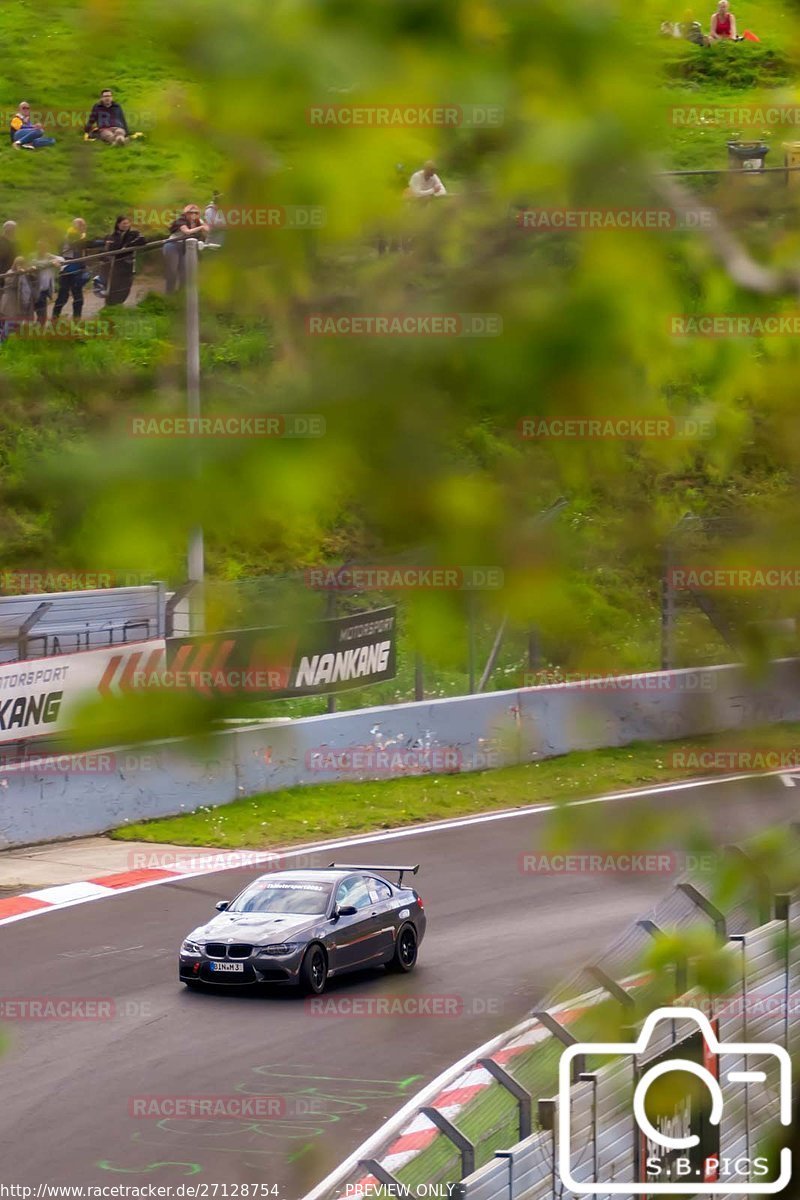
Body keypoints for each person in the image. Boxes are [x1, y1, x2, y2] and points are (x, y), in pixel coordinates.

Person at [163, 204, 208, 294]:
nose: (193, 214)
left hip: (185, 246)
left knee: (185, 272)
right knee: (173, 270)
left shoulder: (198, 221)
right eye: (191, 212)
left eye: (196, 212)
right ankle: (169, 294)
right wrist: (201, 227)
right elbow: (187, 232)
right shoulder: (181, 220)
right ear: (186, 213)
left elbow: (208, 229)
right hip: (173, 245)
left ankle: (181, 294)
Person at [103, 215, 146, 306]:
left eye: (127, 223)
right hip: (116, 265)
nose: (126, 225)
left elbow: (142, 240)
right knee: (114, 286)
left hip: (128, 263)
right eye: (123, 223)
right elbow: (112, 249)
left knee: (126, 286)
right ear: (118, 224)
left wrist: (127, 247)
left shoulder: (133, 234)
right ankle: (111, 306)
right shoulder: (112, 236)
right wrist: (121, 249)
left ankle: (119, 305)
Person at [53, 219, 90, 319]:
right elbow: (66, 253)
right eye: (81, 225)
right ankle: (55, 318)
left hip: (78, 269)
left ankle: (76, 319)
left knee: (78, 296)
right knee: (63, 296)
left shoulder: (82, 236)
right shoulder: (69, 237)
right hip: (68, 270)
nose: (84, 227)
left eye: (84, 225)